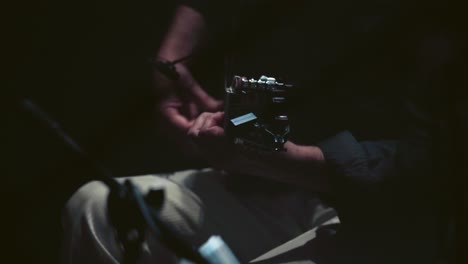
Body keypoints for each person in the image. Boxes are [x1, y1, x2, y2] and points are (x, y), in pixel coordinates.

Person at [62, 1, 453, 263]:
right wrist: (172, 59)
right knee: (97, 206)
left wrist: (289, 162)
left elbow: (439, 168)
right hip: (258, 187)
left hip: (385, 216)